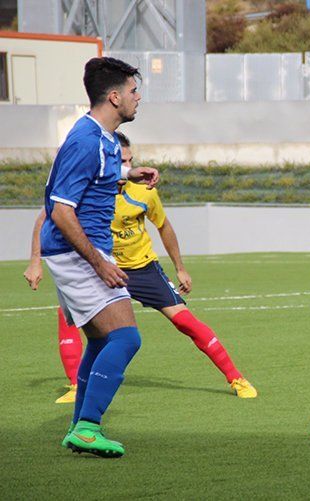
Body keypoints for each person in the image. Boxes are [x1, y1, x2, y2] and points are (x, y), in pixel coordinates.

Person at [24, 132, 257, 405]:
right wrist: (35, 261)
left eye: (130, 159)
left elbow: (164, 226)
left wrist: (180, 268)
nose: (127, 165)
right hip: (103, 268)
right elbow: (47, 217)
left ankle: (235, 377)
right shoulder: (91, 187)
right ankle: (77, 385)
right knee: (68, 319)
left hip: (142, 268)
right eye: (122, 160)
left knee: (184, 320)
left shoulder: (145, 191)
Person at [37, 57, 159, 458]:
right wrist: (98, 262)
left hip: (81, 251)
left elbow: (94, 176)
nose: (138, 98)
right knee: (126, 338)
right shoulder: (86, 140)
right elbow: (60, 210)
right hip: (76, 253)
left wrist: (128, 174)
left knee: (102, 339)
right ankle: (88, 428)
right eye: (133, 91)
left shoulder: (103, 139)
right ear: (113, 96)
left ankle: (79, 425)